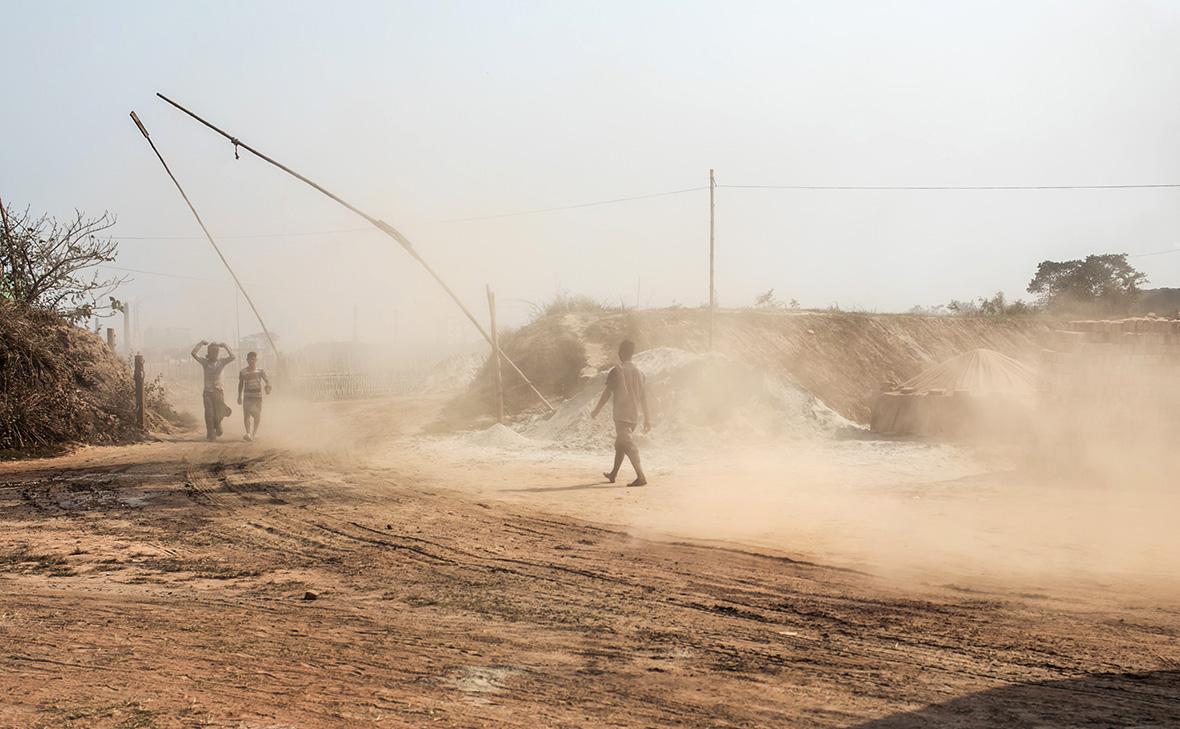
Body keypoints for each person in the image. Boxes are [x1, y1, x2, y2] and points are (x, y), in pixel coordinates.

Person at [590, 339, 652, 486]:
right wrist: (647, 418)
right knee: (620, 445)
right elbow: (644, 398)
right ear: (632, 353)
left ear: (621, 353)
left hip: (621, 415)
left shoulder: (616, 371)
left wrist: (596, 410)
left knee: (628, 445)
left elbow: (607, 394)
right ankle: (613, 474)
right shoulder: (641, 374)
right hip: (634, 417)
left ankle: (641, 476)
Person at [190, 340, 235, 441]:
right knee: (209, 413)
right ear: (209, 353)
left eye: (216, 352)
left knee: (220, 412)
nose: (215, 354)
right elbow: (193, 353)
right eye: (212, 352)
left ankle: (218, 424)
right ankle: (210, 432)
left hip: (218, 391)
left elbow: (233, 357)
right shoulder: (205, 362)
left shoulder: (222, 362)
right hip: (208, 392)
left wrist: (225, 345)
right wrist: (200, 343)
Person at [237, 351, 272, 441]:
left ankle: (254, 433)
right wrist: (239, 396)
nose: (252, 360)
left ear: (256, 360)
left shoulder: (260, 371)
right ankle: (248, 433)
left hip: (257, 396)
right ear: (247, 360)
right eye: (250, 359)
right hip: (247, 396)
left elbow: (267, 380)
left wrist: (268, 386)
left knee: (257, 415)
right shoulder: (243, 372)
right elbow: (240, 384)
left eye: (254, 359)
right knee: (246, 415)